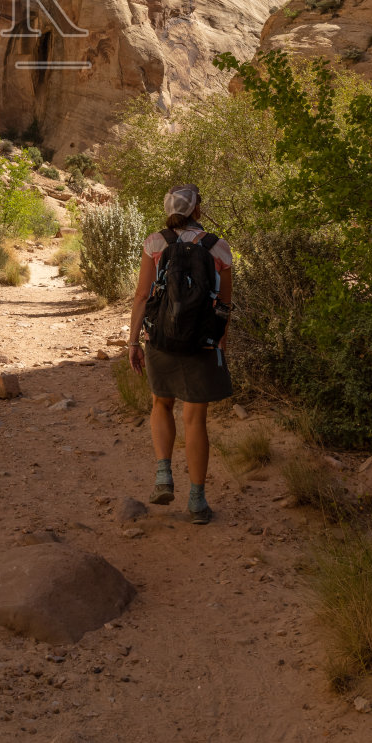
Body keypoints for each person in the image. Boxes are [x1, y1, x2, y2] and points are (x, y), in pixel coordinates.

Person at [127, 184, 233, 525]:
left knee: (162, 404)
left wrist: (133, 342)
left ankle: (163, 476)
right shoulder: (218, 247)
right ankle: (198, 502)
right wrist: (220, 346)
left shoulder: (156, 243)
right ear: (197, 211)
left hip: (161, 340)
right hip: (201, 342)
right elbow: (225, 306)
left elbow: (143, 295)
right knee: (195, 419)